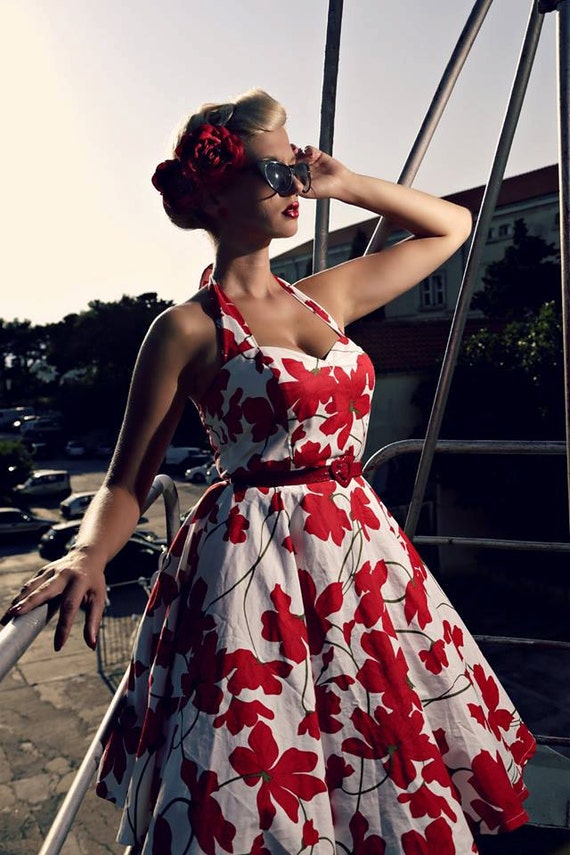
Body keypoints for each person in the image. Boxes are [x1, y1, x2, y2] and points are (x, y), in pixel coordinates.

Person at [3, 89, 535, 853]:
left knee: (377, 749)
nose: (294, 185)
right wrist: (87, 553)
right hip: (253, 577)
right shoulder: (185, 328)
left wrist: (341, 183)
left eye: (296, 165)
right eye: (275, 169)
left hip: (359, 564)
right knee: (267, 766)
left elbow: (452, 225)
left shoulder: (328, 298)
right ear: (215, 189)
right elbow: (126, 482)